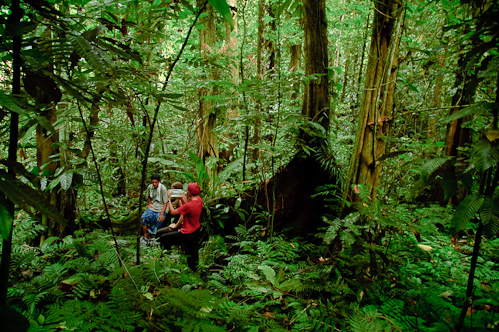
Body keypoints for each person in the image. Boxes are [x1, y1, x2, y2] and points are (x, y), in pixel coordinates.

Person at [158, 182, 203, 272]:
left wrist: (168, 200)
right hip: (195, 230)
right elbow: (186, 204)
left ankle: (166, 258)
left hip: (186, 233)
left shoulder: (189, 206)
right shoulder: (199, 200)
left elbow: (173, 212)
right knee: (192, 252)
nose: (186, 191)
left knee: (163, 238)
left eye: (187, 190)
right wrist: (182, 197)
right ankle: (195, 270)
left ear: (190, 192)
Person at [141, 174, 168, 239]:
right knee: (144, 217)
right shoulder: (150, 187)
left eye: (155, 182)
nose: (154, 184)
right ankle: (145, 234)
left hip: (161, 207)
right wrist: (149, 203)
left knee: (159, 219)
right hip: (153, 206)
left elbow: (165, 202)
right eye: (153, 182)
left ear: (159, 181)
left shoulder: (162, 188)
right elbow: (148, 196)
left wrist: (162, 214)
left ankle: (155, 235)